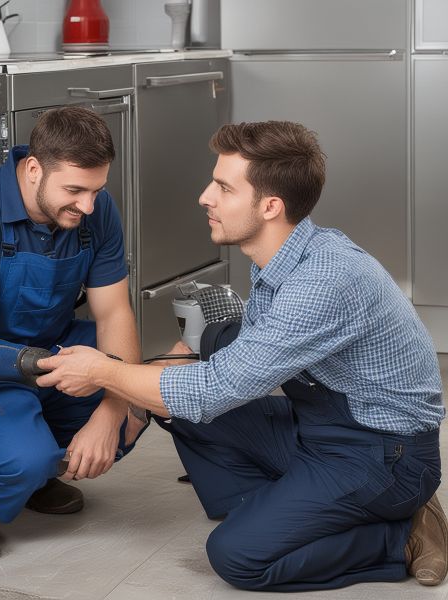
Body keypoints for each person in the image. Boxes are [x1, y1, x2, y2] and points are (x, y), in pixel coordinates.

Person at [37, 121, 447, 591]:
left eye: (223, 187)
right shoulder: (282, 258)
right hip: (320, 427)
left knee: (238, 556)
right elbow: (220, 371)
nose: (204, 197)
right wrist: (140, 382)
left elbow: (214, 390)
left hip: (382, 456)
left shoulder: (324, 280)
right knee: (174, 394)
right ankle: (290, 511)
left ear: (270, 206)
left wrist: (103, 371)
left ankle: (402, 536)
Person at [0, 106, 147, 560]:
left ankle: (35, 472)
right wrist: (62, 368)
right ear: (34, 168)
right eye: (75, 191)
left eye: (97, 190)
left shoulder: (94, 211)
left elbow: (115, 313)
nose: (89, 206)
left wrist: (113, 407)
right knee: (22, 457)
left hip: (56, 353)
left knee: (135, 413)